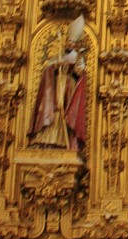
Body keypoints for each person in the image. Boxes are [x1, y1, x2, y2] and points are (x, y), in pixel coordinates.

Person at [28, 17, 87, 151]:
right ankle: (48, 139)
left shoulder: (78, 57)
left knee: (65, 112)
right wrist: (55, 65)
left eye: (72, 42)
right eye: (68, 41)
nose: (70, 44)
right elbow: (48, 67)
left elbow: (80, 71)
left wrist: (75, 63)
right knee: (54, 110)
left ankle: (64, 141)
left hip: (69, 86)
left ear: (76, 44)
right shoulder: (58, 56)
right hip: (56, 85)